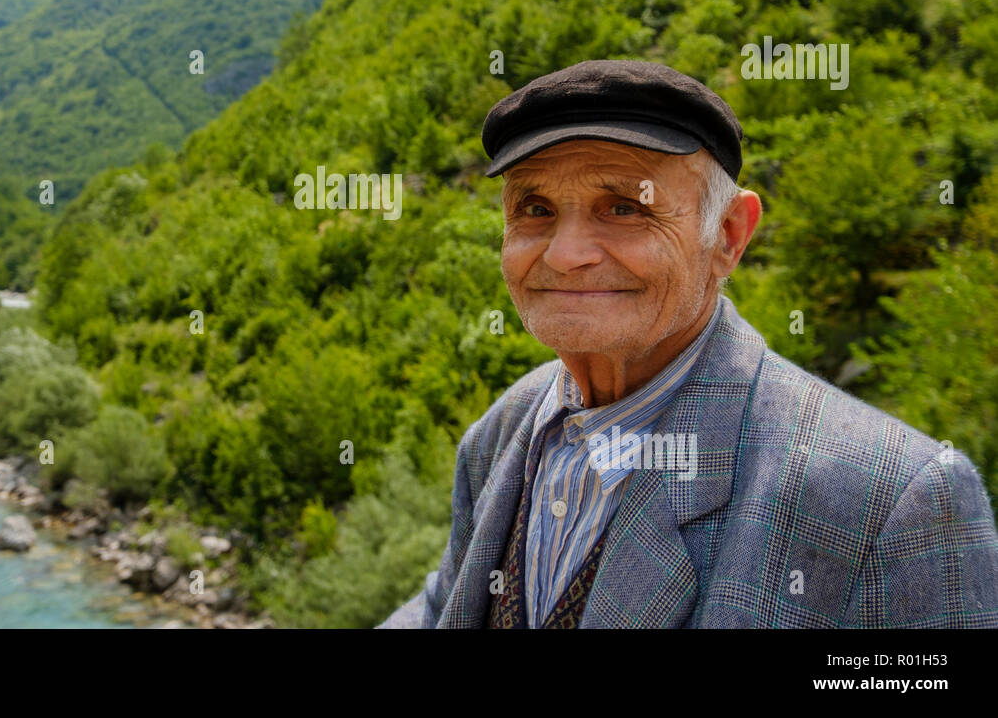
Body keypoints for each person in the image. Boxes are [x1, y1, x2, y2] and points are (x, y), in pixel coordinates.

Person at [378, 59, 998, 628]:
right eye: (534, 208)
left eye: (624, 208)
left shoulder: (897, 500)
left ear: (728, 235)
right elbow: (444, 608)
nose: (565, 255)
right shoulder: (507, 425)